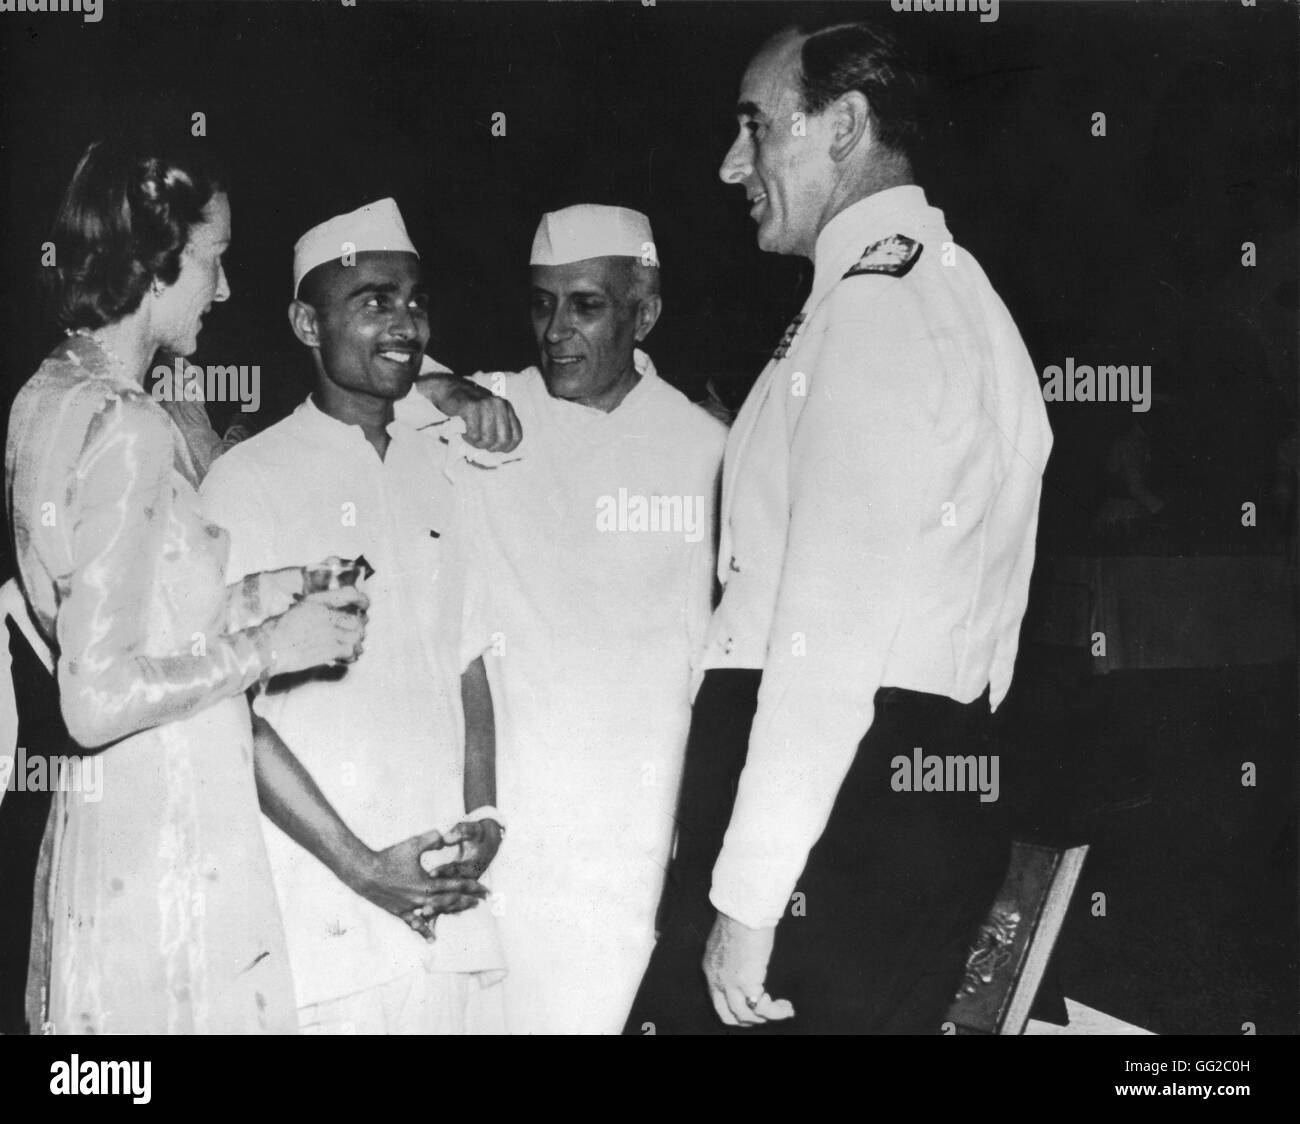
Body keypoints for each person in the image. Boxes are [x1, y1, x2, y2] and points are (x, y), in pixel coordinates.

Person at [627, 21, 1053, 1034]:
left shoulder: (868, 315)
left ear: (846, 125)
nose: (733, 164)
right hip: (907, 788)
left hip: (838, 810)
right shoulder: (952, 290)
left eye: (756, 127)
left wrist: (749, 895)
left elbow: (828, 637)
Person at [5, 140, 369, 1034]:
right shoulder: (129, 423)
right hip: (169, 840)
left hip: (110, 822)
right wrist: (269, 650)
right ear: (157, 263)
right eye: (214, 261)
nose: (226, 287)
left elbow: (122, 618)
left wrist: (275, 590)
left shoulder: (47, 393)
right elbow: (95, 699)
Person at [200, 198, 519, 1034]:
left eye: (415, 301)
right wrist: (362, 868)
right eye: (374, 301)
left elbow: (469, 660)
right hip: (321, 910)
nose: (405, 323)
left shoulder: (442, 469)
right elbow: (223, 713)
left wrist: (484, 815)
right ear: (307, 323)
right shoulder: (248, 481)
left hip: (447, 898)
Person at [458, 204, 727, 1033]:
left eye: (586, 305)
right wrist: (439, 385)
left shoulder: (705, 448)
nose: (556, 331)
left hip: (627, 826)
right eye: (542, 304)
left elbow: (716, 658)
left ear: (644, 313)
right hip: (495, 809)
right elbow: (365, 385)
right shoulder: (485, 414)